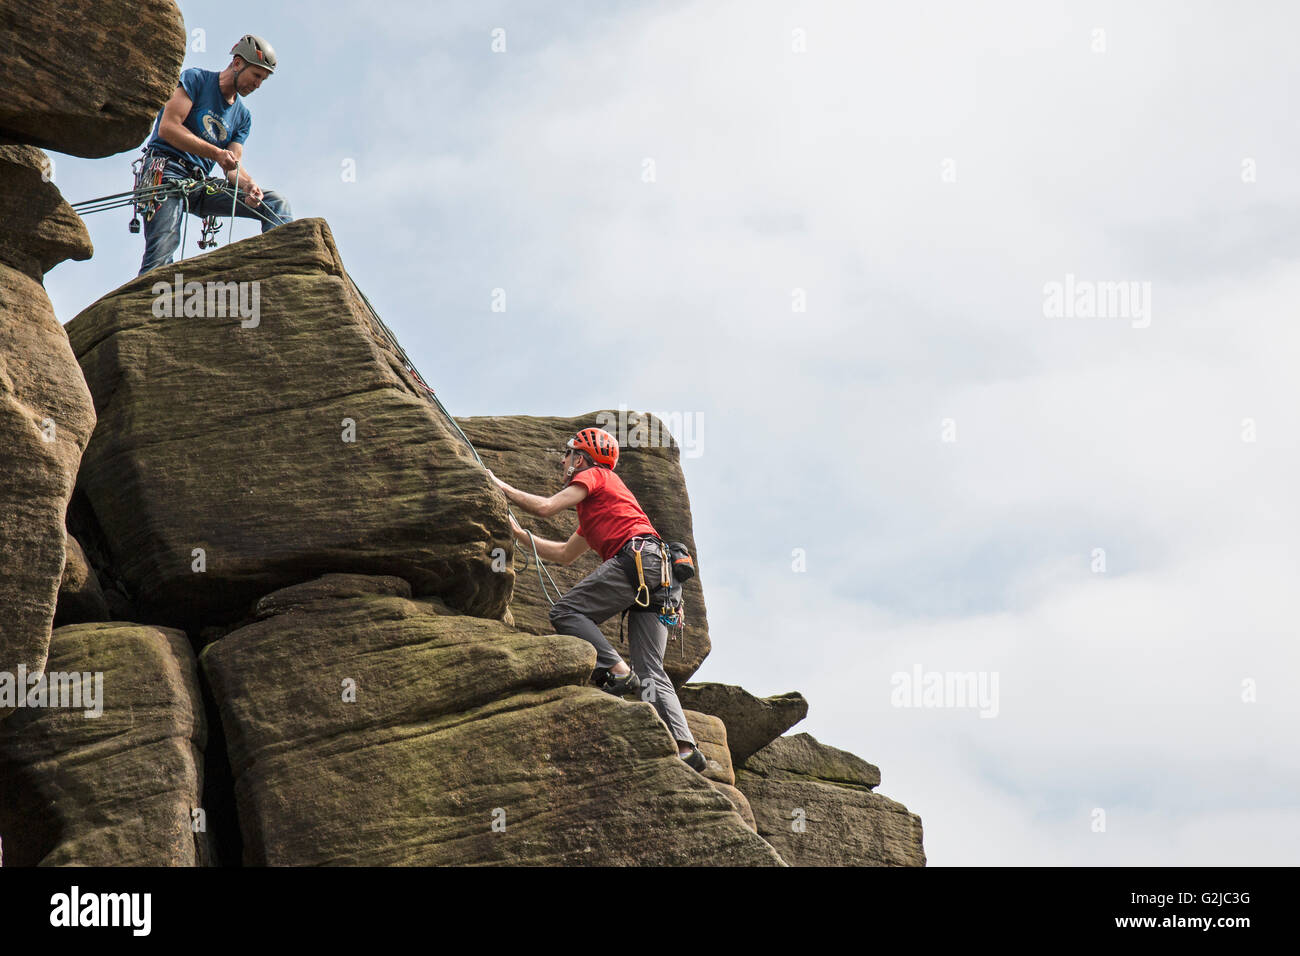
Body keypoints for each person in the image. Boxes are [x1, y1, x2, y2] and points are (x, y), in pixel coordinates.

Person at [489, 427, 708, 773]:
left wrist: (500, 486)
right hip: (662, 578)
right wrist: (519, 534)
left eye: (568, 454)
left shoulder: (596, 475)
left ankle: (619, 673)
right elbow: (563, 554)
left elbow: (546, 508)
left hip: (638, 560)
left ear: (580, 459)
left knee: (566, 611)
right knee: (650, 671)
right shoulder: (600, 509)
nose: (564, 461)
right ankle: (686, 747)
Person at [136, 34, 293, 276]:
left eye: (264, 79)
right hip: (165, 172)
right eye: (257, 75)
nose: (258, 84)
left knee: (274, 203)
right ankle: (145, 304)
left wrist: (249, 185)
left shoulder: (242, 117)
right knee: (161, 256)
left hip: (200, 184)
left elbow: (232, 165)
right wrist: (216, 153)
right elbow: (168, 128)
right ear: (238, 63)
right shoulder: (196, 80)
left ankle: (282, 271)